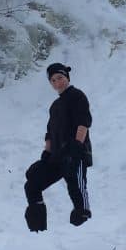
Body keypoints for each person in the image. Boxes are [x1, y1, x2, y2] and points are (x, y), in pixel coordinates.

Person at [24, 62, 93, 231]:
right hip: (56, 155)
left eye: (60, 78)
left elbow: (83, 123)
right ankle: (37, 227)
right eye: (53, 80)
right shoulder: (55, 106)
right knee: (32, 183)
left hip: (74, 152)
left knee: (75, 185)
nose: (57, 82)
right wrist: (47, 153)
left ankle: (83, 215)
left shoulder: (77, 96)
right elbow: (49, 132)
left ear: (67, 78)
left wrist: (77, 146)